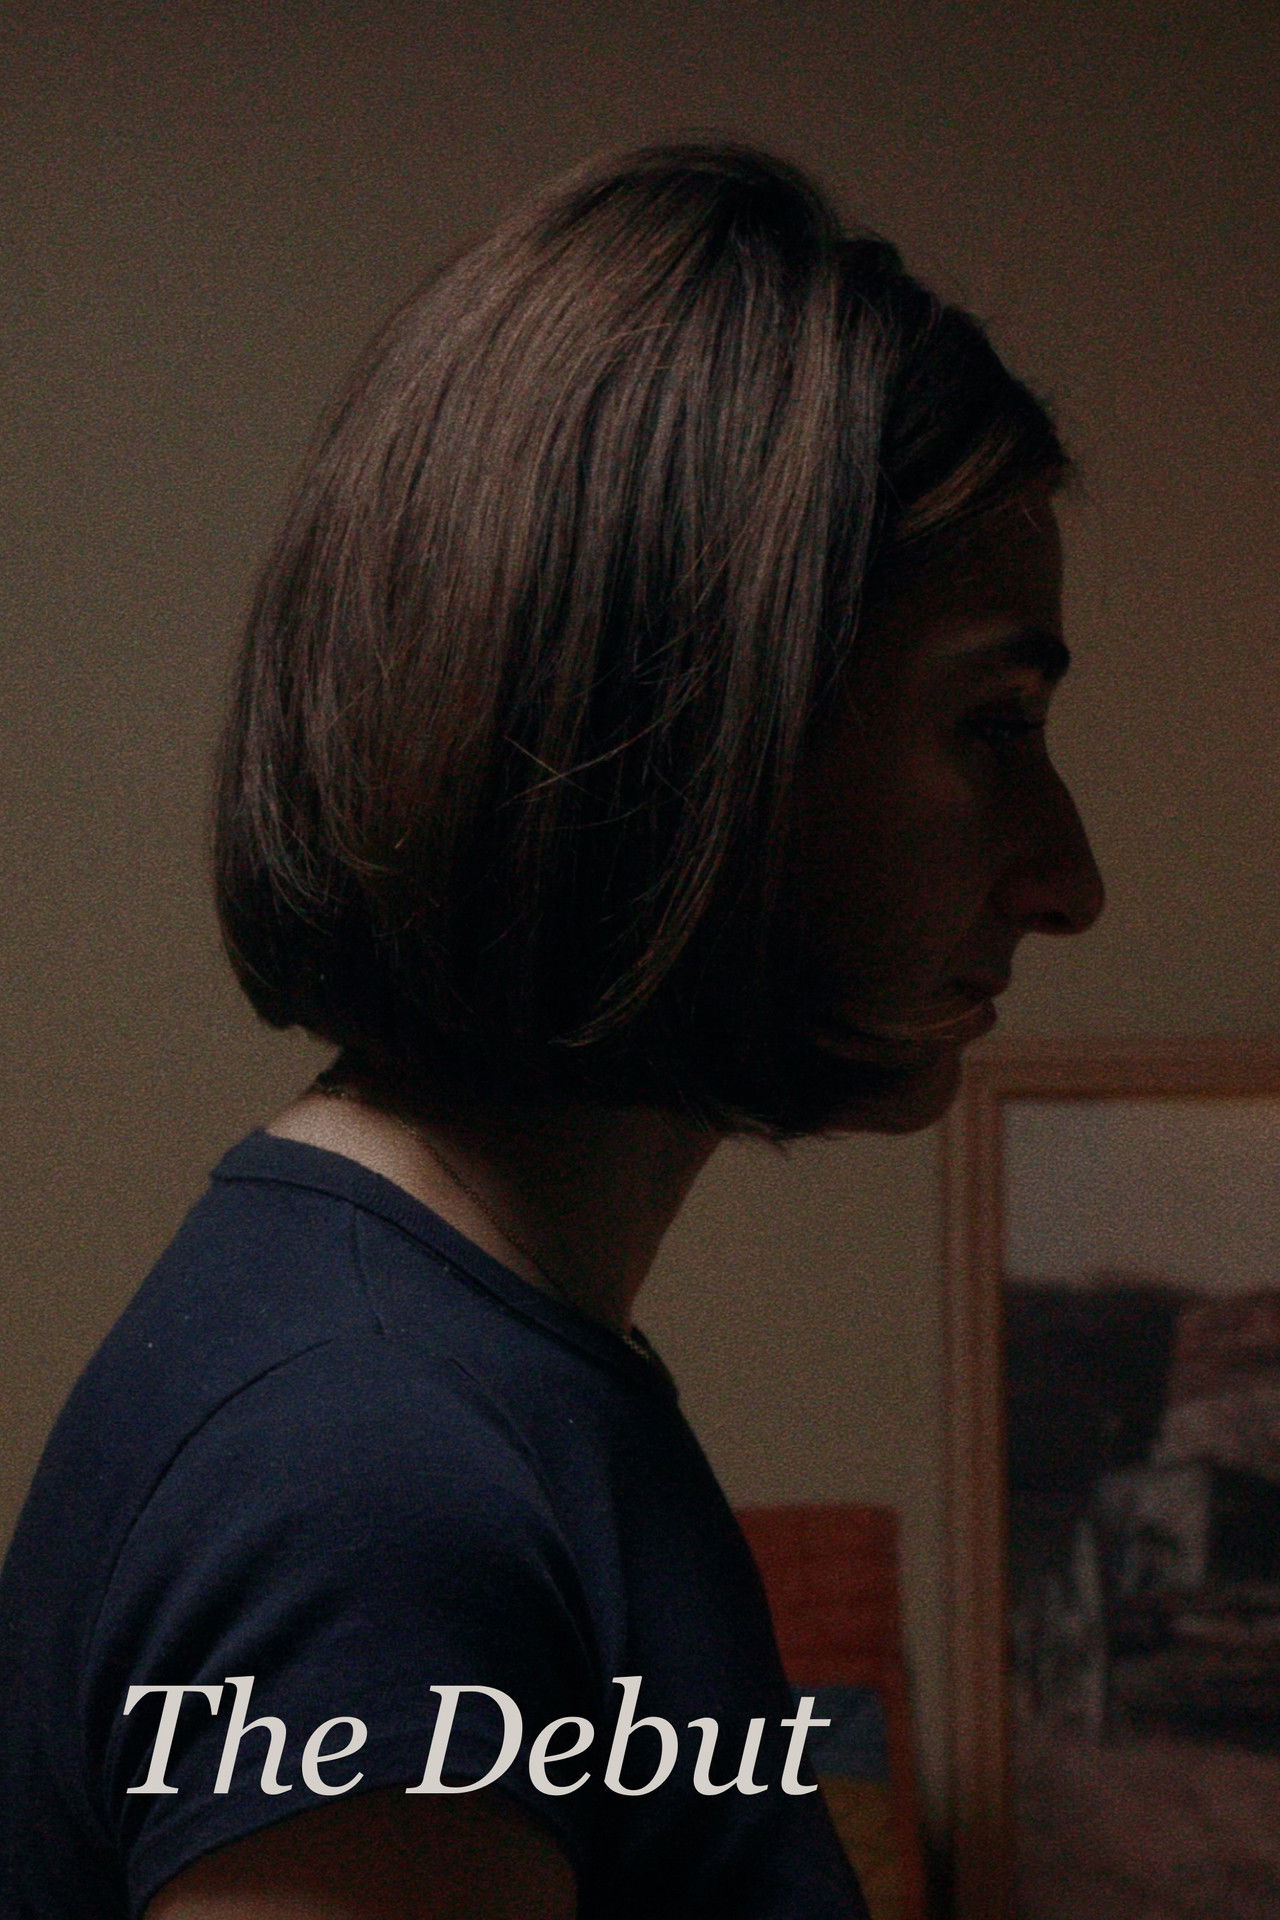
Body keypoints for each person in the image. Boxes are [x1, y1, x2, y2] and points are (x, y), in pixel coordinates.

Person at [0, 142, 1103, 1919]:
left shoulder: (473, 1383)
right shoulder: (364, 1480)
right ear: (699, 733)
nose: (1067, 878)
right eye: (993, 726)